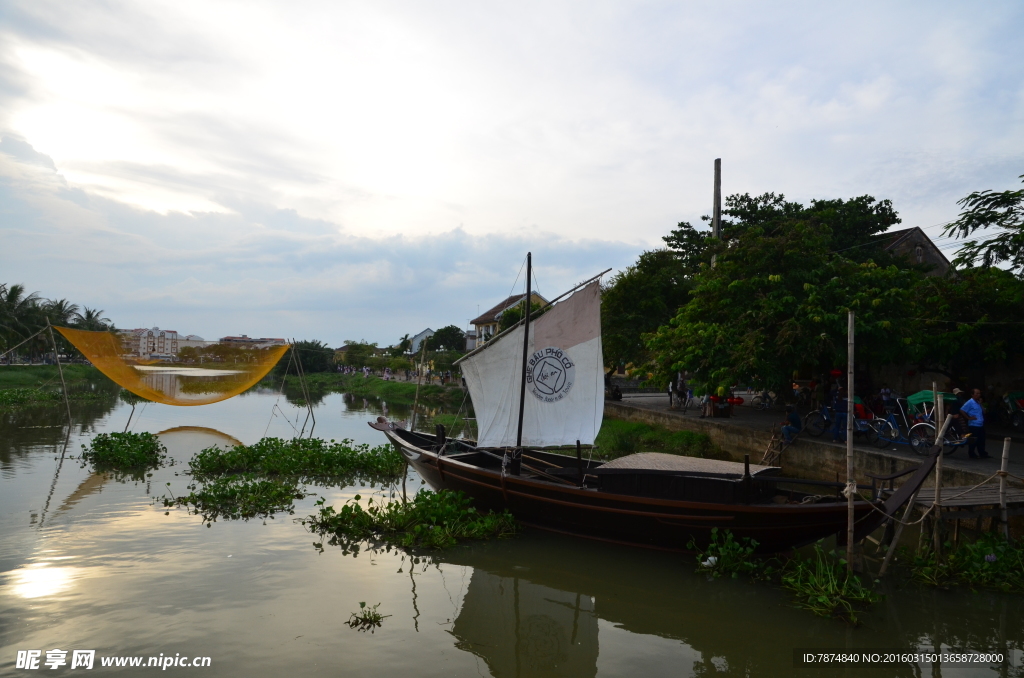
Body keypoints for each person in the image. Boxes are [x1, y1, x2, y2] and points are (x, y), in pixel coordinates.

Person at [961, 388, 989, 459]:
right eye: (976, 393)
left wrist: (981, 404)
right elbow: (962, 410)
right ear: (972, 394)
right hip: (973, 424)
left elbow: (984, 412)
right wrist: (968, 418)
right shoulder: (970, 402)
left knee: (981, 440)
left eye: (979, 393)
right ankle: (971, 453)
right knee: (973, 440)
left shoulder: (978, 403)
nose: (978, 395)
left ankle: (982, 453)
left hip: (980, 424)